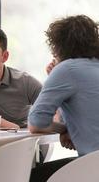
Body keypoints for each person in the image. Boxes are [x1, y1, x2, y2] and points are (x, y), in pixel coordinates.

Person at [28, 15, 99, 182]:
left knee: (28, 176)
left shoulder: (67, 70)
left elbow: (36, 123)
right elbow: (81, 110)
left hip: (93, 166)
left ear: (59, 46)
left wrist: (64, 129)